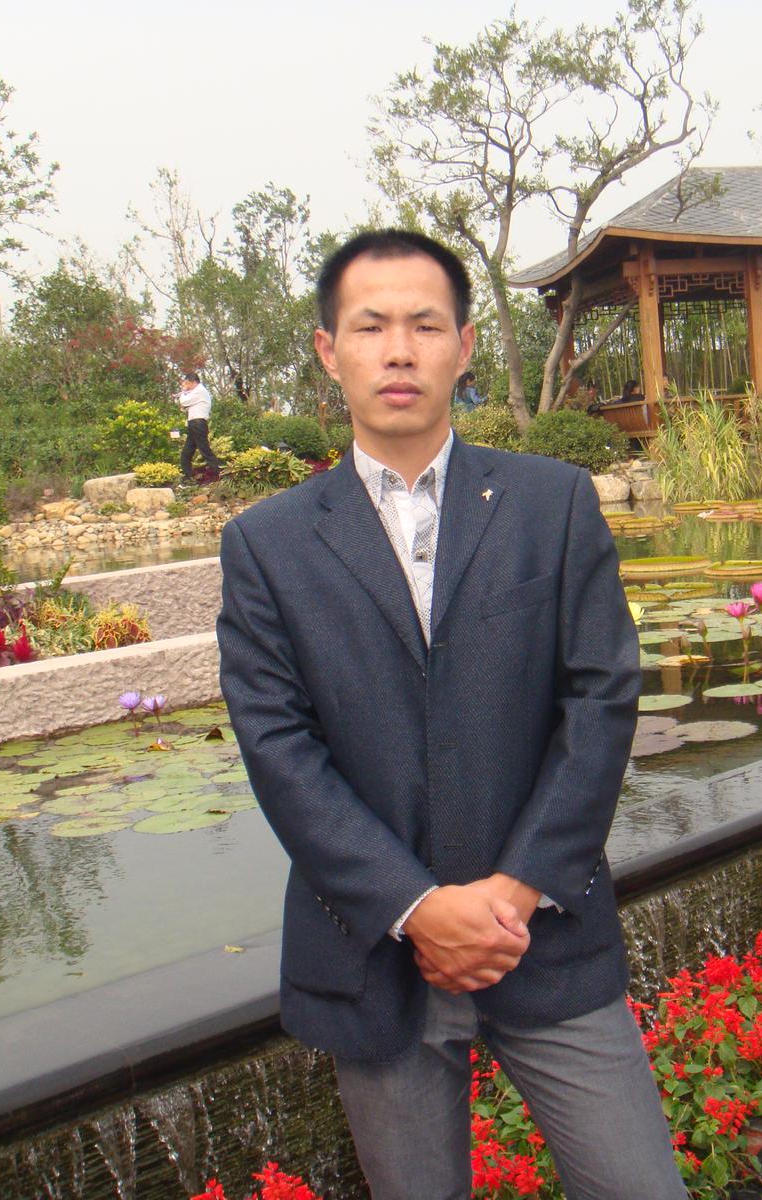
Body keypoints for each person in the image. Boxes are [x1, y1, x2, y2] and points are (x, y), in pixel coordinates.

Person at [217, 229, 685, 1200]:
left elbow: (600, 697)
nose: (399, 351)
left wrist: (513, 891)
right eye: (371, 326)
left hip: (542, 933)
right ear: (328, 350)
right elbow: (277, 746)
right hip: (376, 955)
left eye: (425, 325)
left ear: (464, 346)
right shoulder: (266, 545)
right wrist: (418, 907)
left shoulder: (551, 504)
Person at [175, 371, 221, 482]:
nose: (186, 386)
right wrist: (180, 396)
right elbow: (183, 406)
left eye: (187, 383)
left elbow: (184, 402)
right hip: (194, 424)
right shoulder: (196, 393)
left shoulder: (199, 391)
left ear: (193, 382)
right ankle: (188, 476)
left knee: (205, 450)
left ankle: (215, 474)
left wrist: (183, 392)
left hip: (198, 424)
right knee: (186, 452)